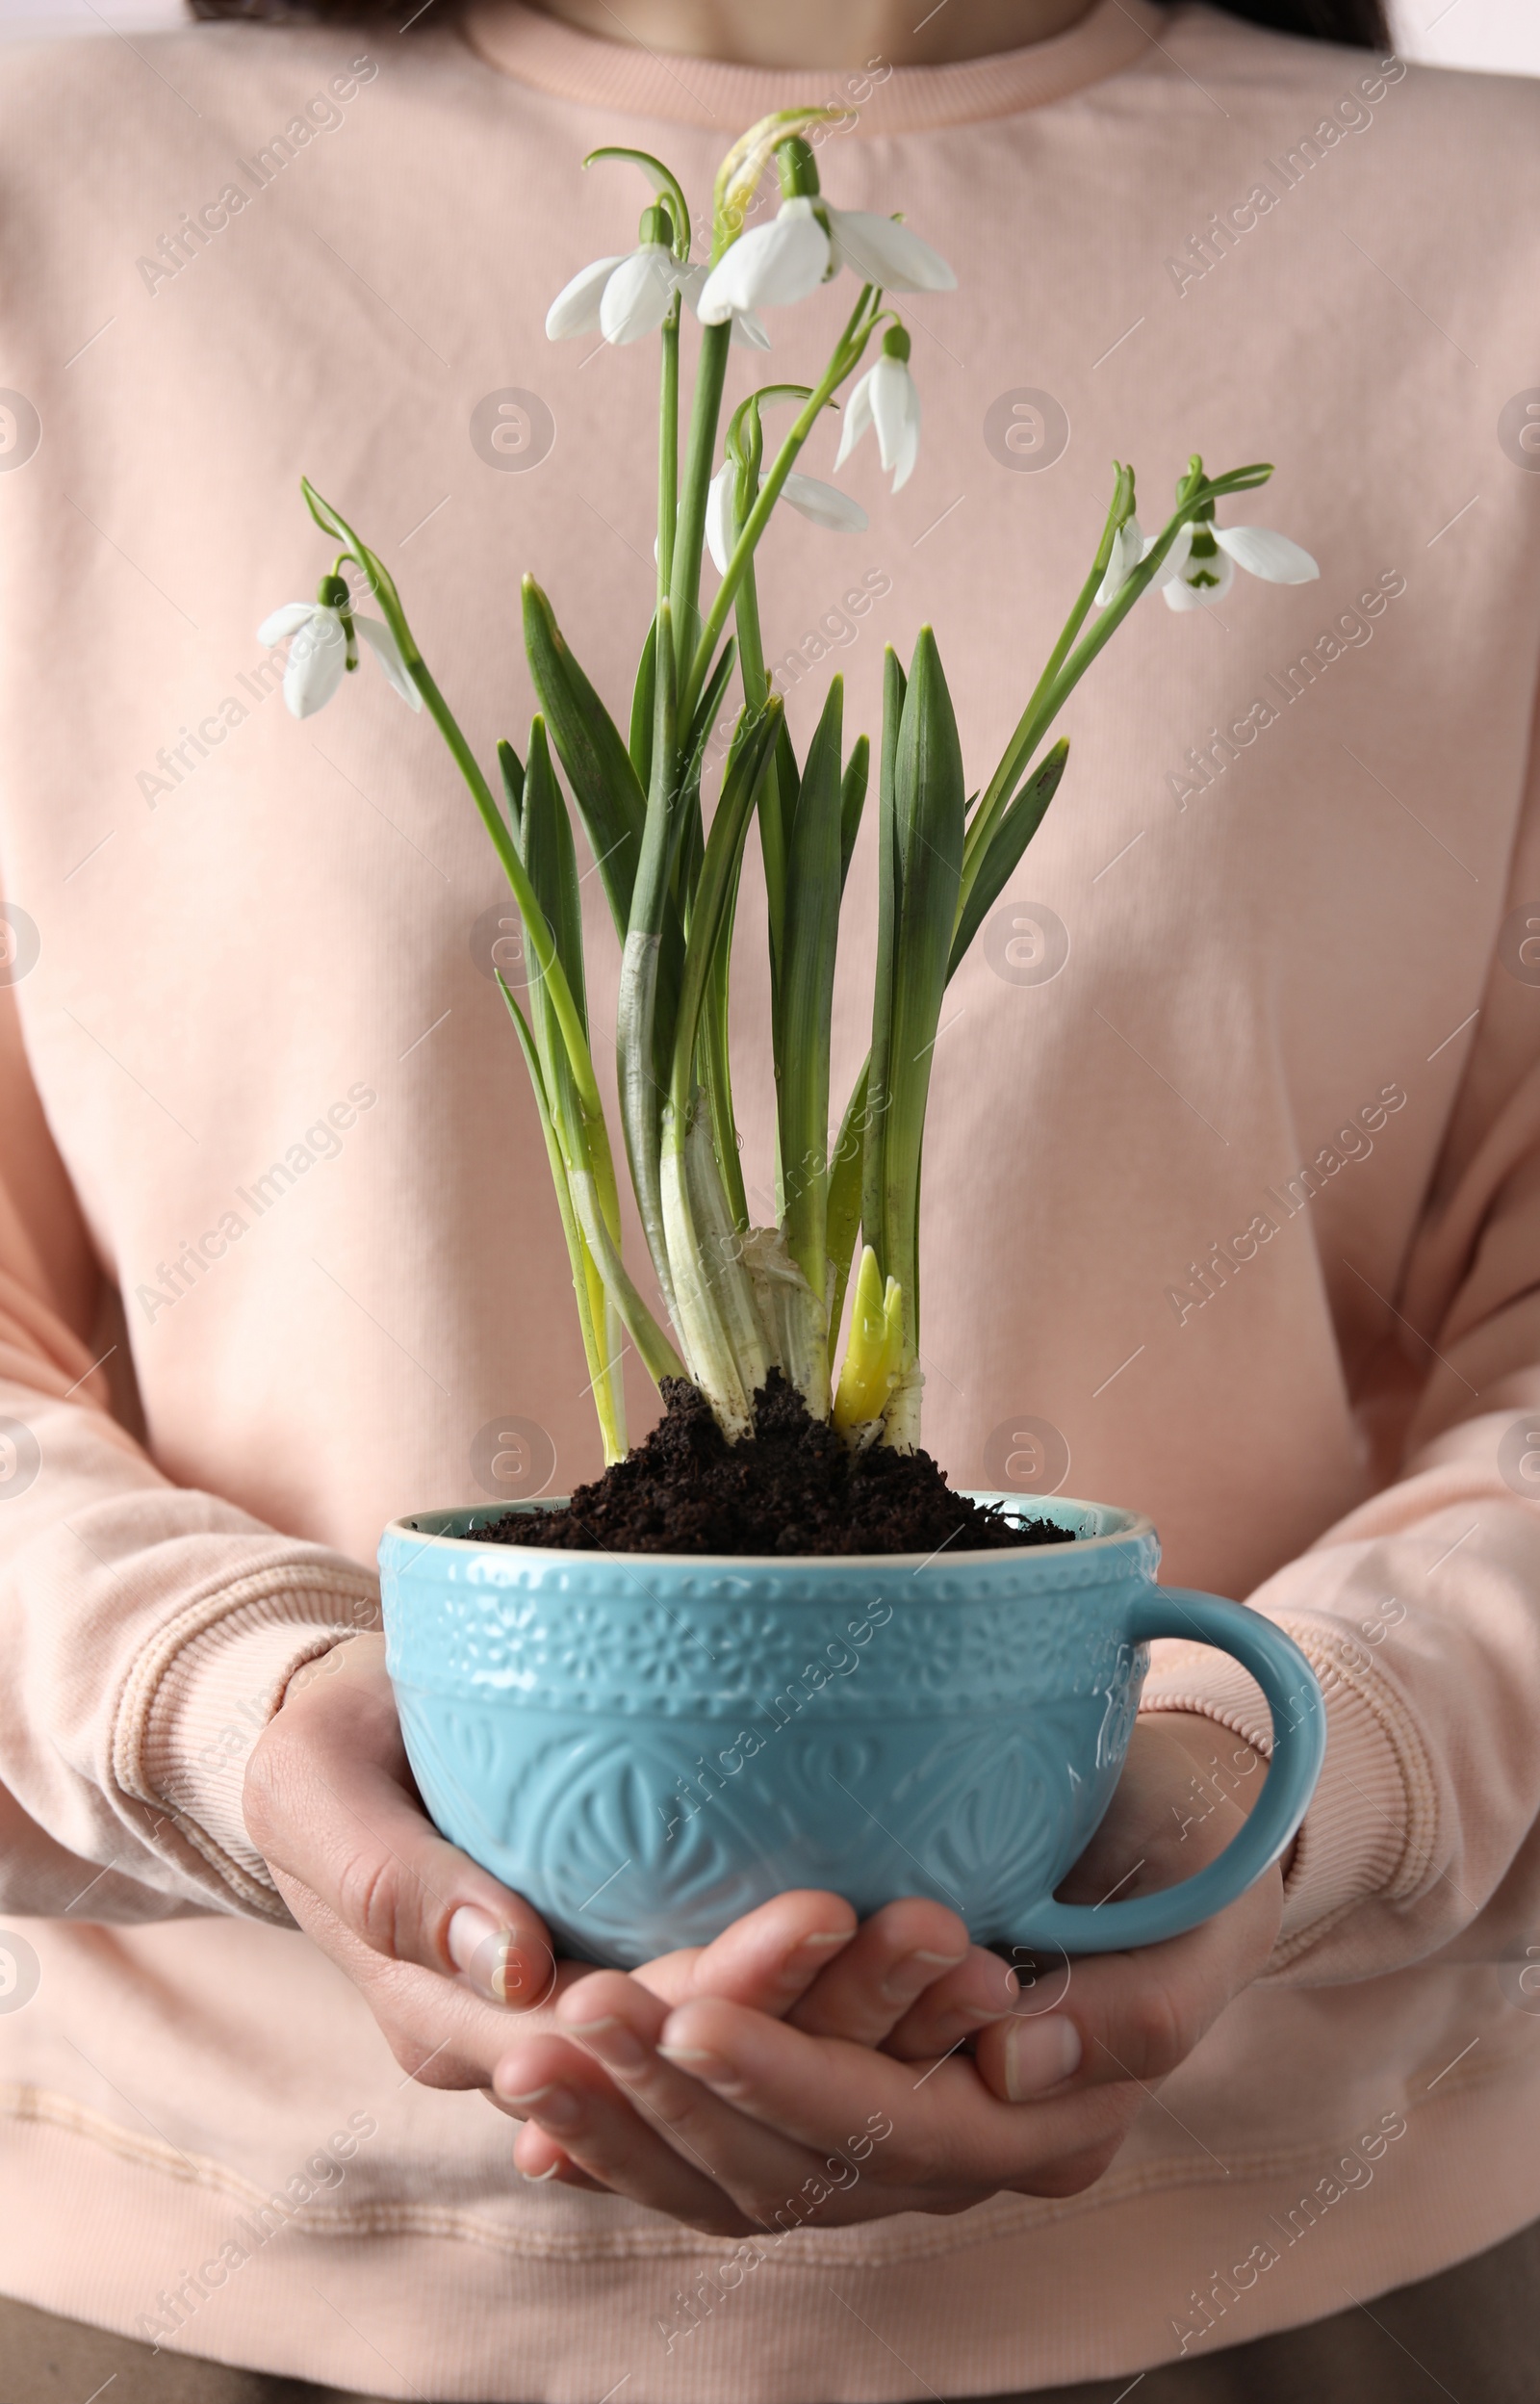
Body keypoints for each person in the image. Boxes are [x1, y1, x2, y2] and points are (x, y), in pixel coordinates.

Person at [0, 0, 1536, 2396]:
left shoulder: (1490, 244)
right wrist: (215, 1709)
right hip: (179, 2248)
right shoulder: (58, 191)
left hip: (1288, 2260)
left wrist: (1277, 1782)